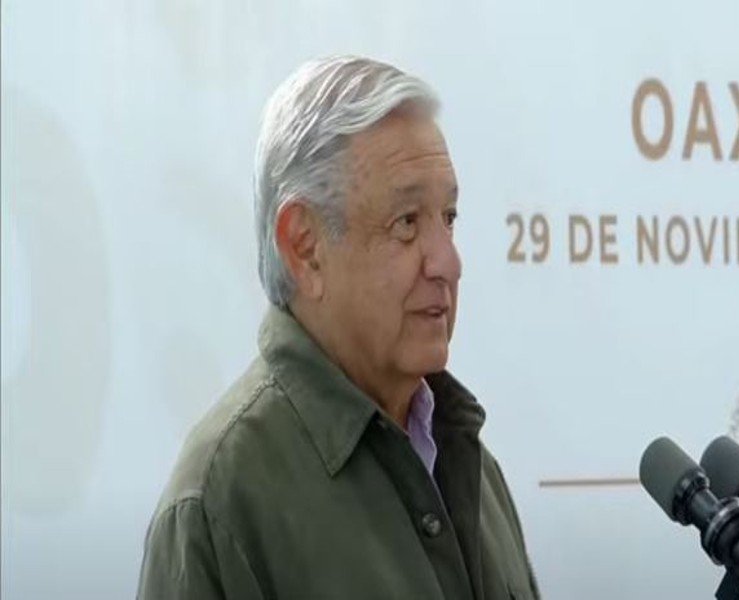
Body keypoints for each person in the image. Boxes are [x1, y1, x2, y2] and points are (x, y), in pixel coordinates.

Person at [137, 55, 540, 600]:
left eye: (448, 218)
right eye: (406, 223)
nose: (448, 261)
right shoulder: (221, 500)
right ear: (305, 247)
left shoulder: (467, 459)